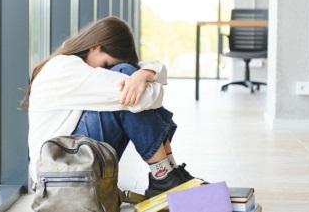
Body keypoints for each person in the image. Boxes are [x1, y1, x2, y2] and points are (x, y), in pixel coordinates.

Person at [23, 16, 200, 198]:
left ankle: (168, 171)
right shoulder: (66, 68)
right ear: (95, 46)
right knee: (126, 78)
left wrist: (145, 74)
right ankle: (164, 176)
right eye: (107, 64)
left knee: (130, 80)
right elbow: (148, 97)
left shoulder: (75, 64)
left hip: (69, 160)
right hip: (57, 170)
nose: (108, 70)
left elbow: (150, 84)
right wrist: (142, 77)